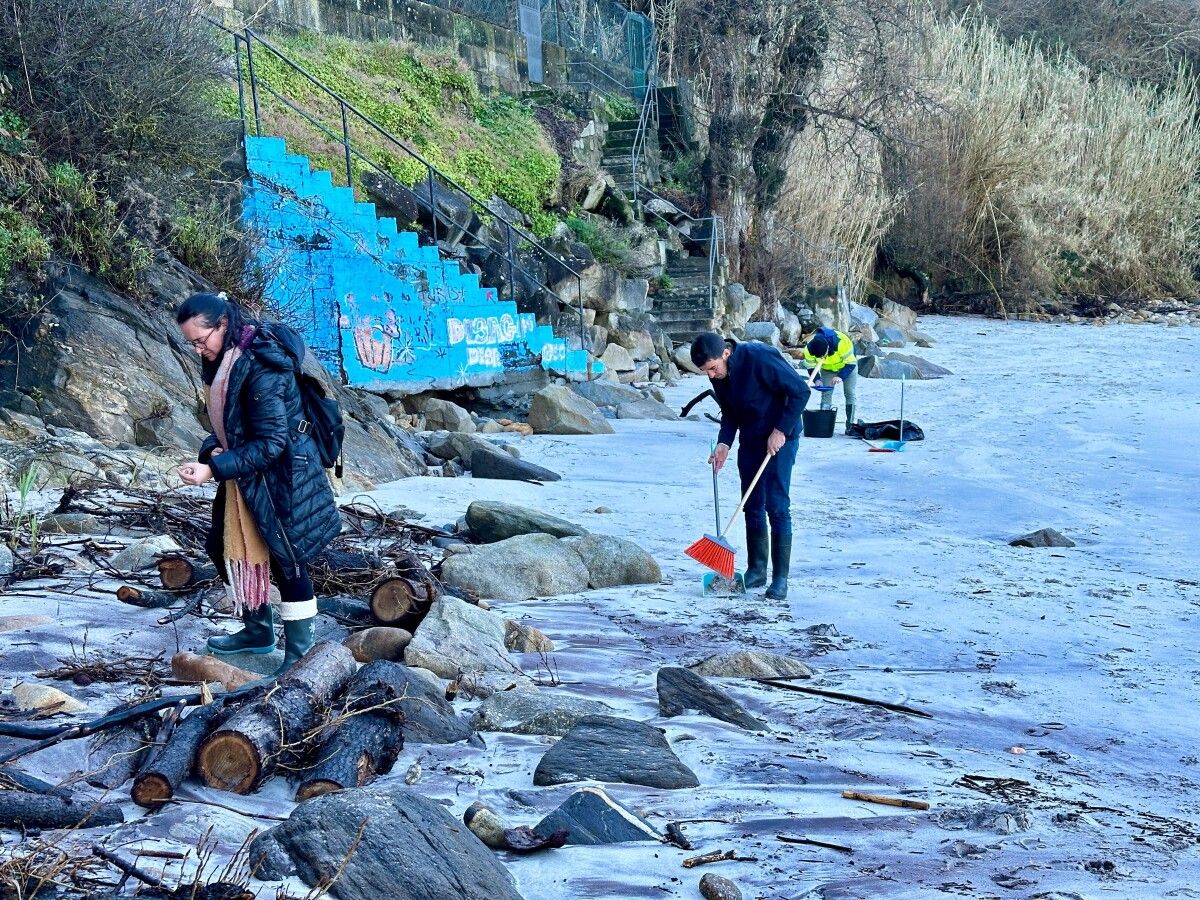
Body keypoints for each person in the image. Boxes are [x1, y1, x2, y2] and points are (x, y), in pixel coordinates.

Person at [175, 292, 341, 676]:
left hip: (284, 473)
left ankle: (300, 654)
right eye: (192, 344)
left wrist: (212, 471)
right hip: (247, 474)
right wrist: (212, 451)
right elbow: (232, 426)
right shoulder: (226, 359)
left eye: (202, 339)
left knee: (289, 558)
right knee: (220, 546)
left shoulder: (261, 366)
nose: (199, 349)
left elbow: (272, 443)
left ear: (223, 324)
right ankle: (258, 630)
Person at [691, 332, 810, 600]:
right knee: (751, 502)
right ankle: (757, 569)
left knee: (777, 505)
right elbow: (730, 412)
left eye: (712, 368)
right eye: (704, 372)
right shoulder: (721, 376)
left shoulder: (759, 357)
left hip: (782, 436)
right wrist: (724, 443)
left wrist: (781, 429)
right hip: (752, 437)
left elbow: (801, 391)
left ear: (726, 353)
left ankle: (780, 579)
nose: (710, 375)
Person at [803, 327, 858, 434]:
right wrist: (817, 380)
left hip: (847, 366)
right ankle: (824, 424)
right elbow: (811, 367)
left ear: (828, 348)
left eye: (824, 355)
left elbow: (851, 363)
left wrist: (840, 376)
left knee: (849, 392)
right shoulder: (809, 349)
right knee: (826, 393)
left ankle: (850, 426)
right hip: (827, 369)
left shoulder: (841, 343)